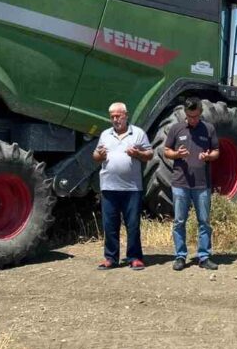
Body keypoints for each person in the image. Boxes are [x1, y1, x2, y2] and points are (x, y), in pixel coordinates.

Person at [93, 102, 153, 271]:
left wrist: (138, 154)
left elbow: (150, 154)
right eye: (112, 116)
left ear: (126, 115)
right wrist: (100, 154)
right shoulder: (105, 134)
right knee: (110, 225)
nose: (115, 119)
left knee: (133, 224)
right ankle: (111, 258)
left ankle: (135, 258)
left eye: (118, 116)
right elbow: (96, 155)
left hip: (132, 187)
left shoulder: (138, 133)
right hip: (109, 187)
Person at [163, 97, 220, 271]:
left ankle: (204, 256)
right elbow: (166, 151)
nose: (192, 120)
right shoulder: (176, 128)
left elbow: (217, 151)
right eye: (189, 116)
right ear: (185, 114)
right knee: (180, 221)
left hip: (202, 184)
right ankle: (180, 256)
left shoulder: (208, 129)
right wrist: (176, 154)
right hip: (180, 183)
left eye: (195, 116)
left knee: (204, 221)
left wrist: (210, 156)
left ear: (200, 113)